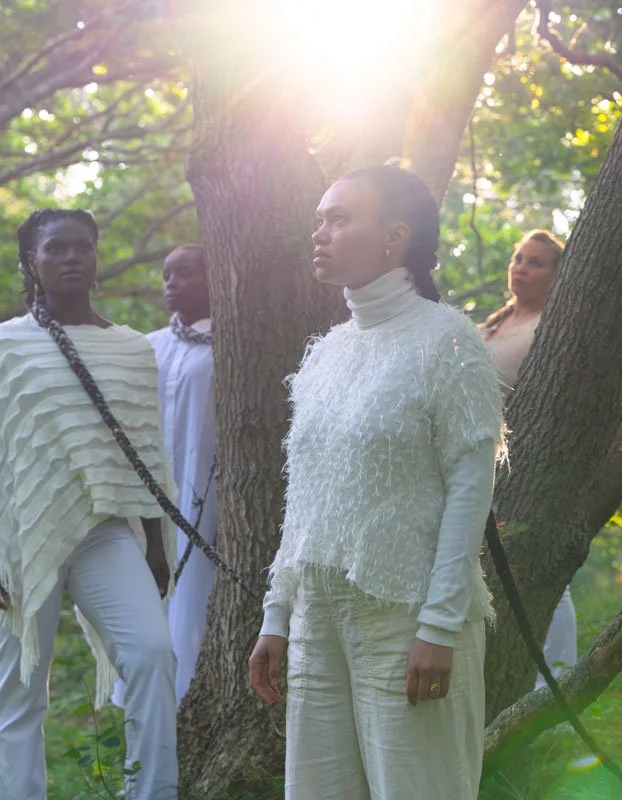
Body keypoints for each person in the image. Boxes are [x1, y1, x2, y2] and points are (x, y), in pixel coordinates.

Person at [248, 164, 502, 799]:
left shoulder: (449, 340)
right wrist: (276, 615)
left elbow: (471, 487)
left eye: (338, 219)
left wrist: (440, 626)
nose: (320, 233)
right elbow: (303, 497)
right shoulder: (326, 352)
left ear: (395, 235)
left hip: (409, 617)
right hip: (317, 617)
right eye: (318, 220)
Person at [0, 209, 179, 800]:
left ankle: (152, 791)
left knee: (153, 654)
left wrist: (154, 544)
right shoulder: (2, 347)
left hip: (107, 534)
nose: (72, 257)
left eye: (84, 247)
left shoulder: (131, 349)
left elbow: (146, 458)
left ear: (97, 257)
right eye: (56, 249)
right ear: (32, 262)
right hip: (21, 536)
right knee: (23, 686)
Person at [111, 244, 218, 708]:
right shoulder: (150, 345)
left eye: (186, 273)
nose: (171, 283)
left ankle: (192, 696)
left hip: (204, 490)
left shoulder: (231, 347)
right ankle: (147, 701)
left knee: (195, 588)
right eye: (166, 274)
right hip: (151, 495)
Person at [480, 229, 577, 689]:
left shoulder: (549, 327)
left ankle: (553, 681)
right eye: (519, 257)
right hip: (471, 458)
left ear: (558, 276)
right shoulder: (492, 323)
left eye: (537, 262)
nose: (521, 266)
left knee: (533, 564)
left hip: (516, 463)